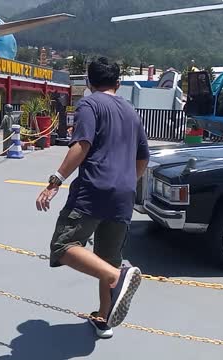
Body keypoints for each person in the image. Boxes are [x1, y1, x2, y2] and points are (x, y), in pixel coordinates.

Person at [35, 57, 150, 339]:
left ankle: (117, 277)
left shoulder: (90, 104)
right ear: (118, 84)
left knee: (63, 245)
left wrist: (55, 181)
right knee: (108, 256)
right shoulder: (131, 111)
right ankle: (103, 318)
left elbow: (82, 144)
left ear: (88, 82)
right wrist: (126, 182)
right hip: (124, 193)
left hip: (94, 189)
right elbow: (143, 157)